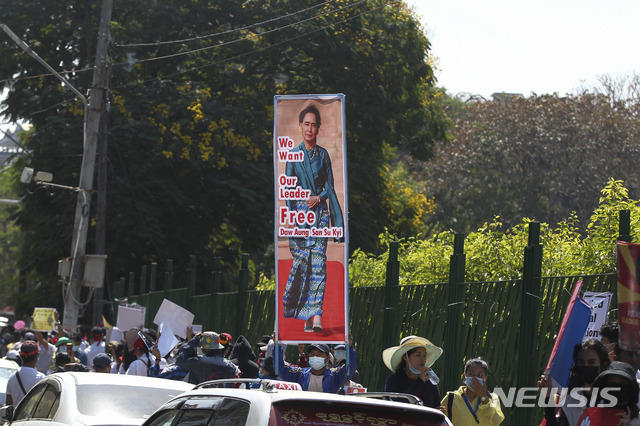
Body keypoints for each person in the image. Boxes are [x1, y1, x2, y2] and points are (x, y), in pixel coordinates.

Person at [282, 104, 344, 333]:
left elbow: (330, 186)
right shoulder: (293, 155)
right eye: (306, 124)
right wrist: (296, 212)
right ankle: (306, 317)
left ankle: (316, 315)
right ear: (300, 127)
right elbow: (287, 189)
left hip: (319, 217)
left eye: (313, 124)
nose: (309, 128)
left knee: (318, 264)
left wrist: (318, 198)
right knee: (304, 266)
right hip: (300, 219)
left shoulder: (323, 155)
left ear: (318, 128)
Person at [539, 338, 611, 426]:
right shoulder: (569, 402)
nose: (586, 366)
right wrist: (549, 399)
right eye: (581, 362)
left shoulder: (613, 398)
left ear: (603, 365)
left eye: (591, 362)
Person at [275, 338, 356, 393]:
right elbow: (280, 368)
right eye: (312, 354)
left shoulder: (335, 376)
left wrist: (350, 347)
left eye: (319, 354)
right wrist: (277, 346)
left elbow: (350, 368)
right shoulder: (300, 374)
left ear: (327, 358)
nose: (315, 357)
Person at [383, 335, 442, 408]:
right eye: (418, 355)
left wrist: (438, 410)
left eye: (424, 356)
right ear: (405, 357)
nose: (422, 359)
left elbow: (436, 404)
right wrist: (419, 381)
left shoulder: (429, 379)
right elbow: (397, 404)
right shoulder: (393, 380)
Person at [442, 357, 505, 426]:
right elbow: (439, 420)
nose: (475, 378)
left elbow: (496, 422)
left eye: (479, 375)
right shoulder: (451, 398)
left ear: (485, 378)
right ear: (464, 376)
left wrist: (483, 397)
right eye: (471, 374)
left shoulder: (493, 397)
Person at [587, 361, 640, 425]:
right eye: (611, 383)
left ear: (631, 388)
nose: (616, 387)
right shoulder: (591, 417)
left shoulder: (638, 421)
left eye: (623, 383)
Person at [6, 341, 45, 406]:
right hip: (32, 416)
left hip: (16, 416)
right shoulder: (41, 378)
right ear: (37, 356)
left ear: (20, 356)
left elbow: (9, 404)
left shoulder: (12, 376)